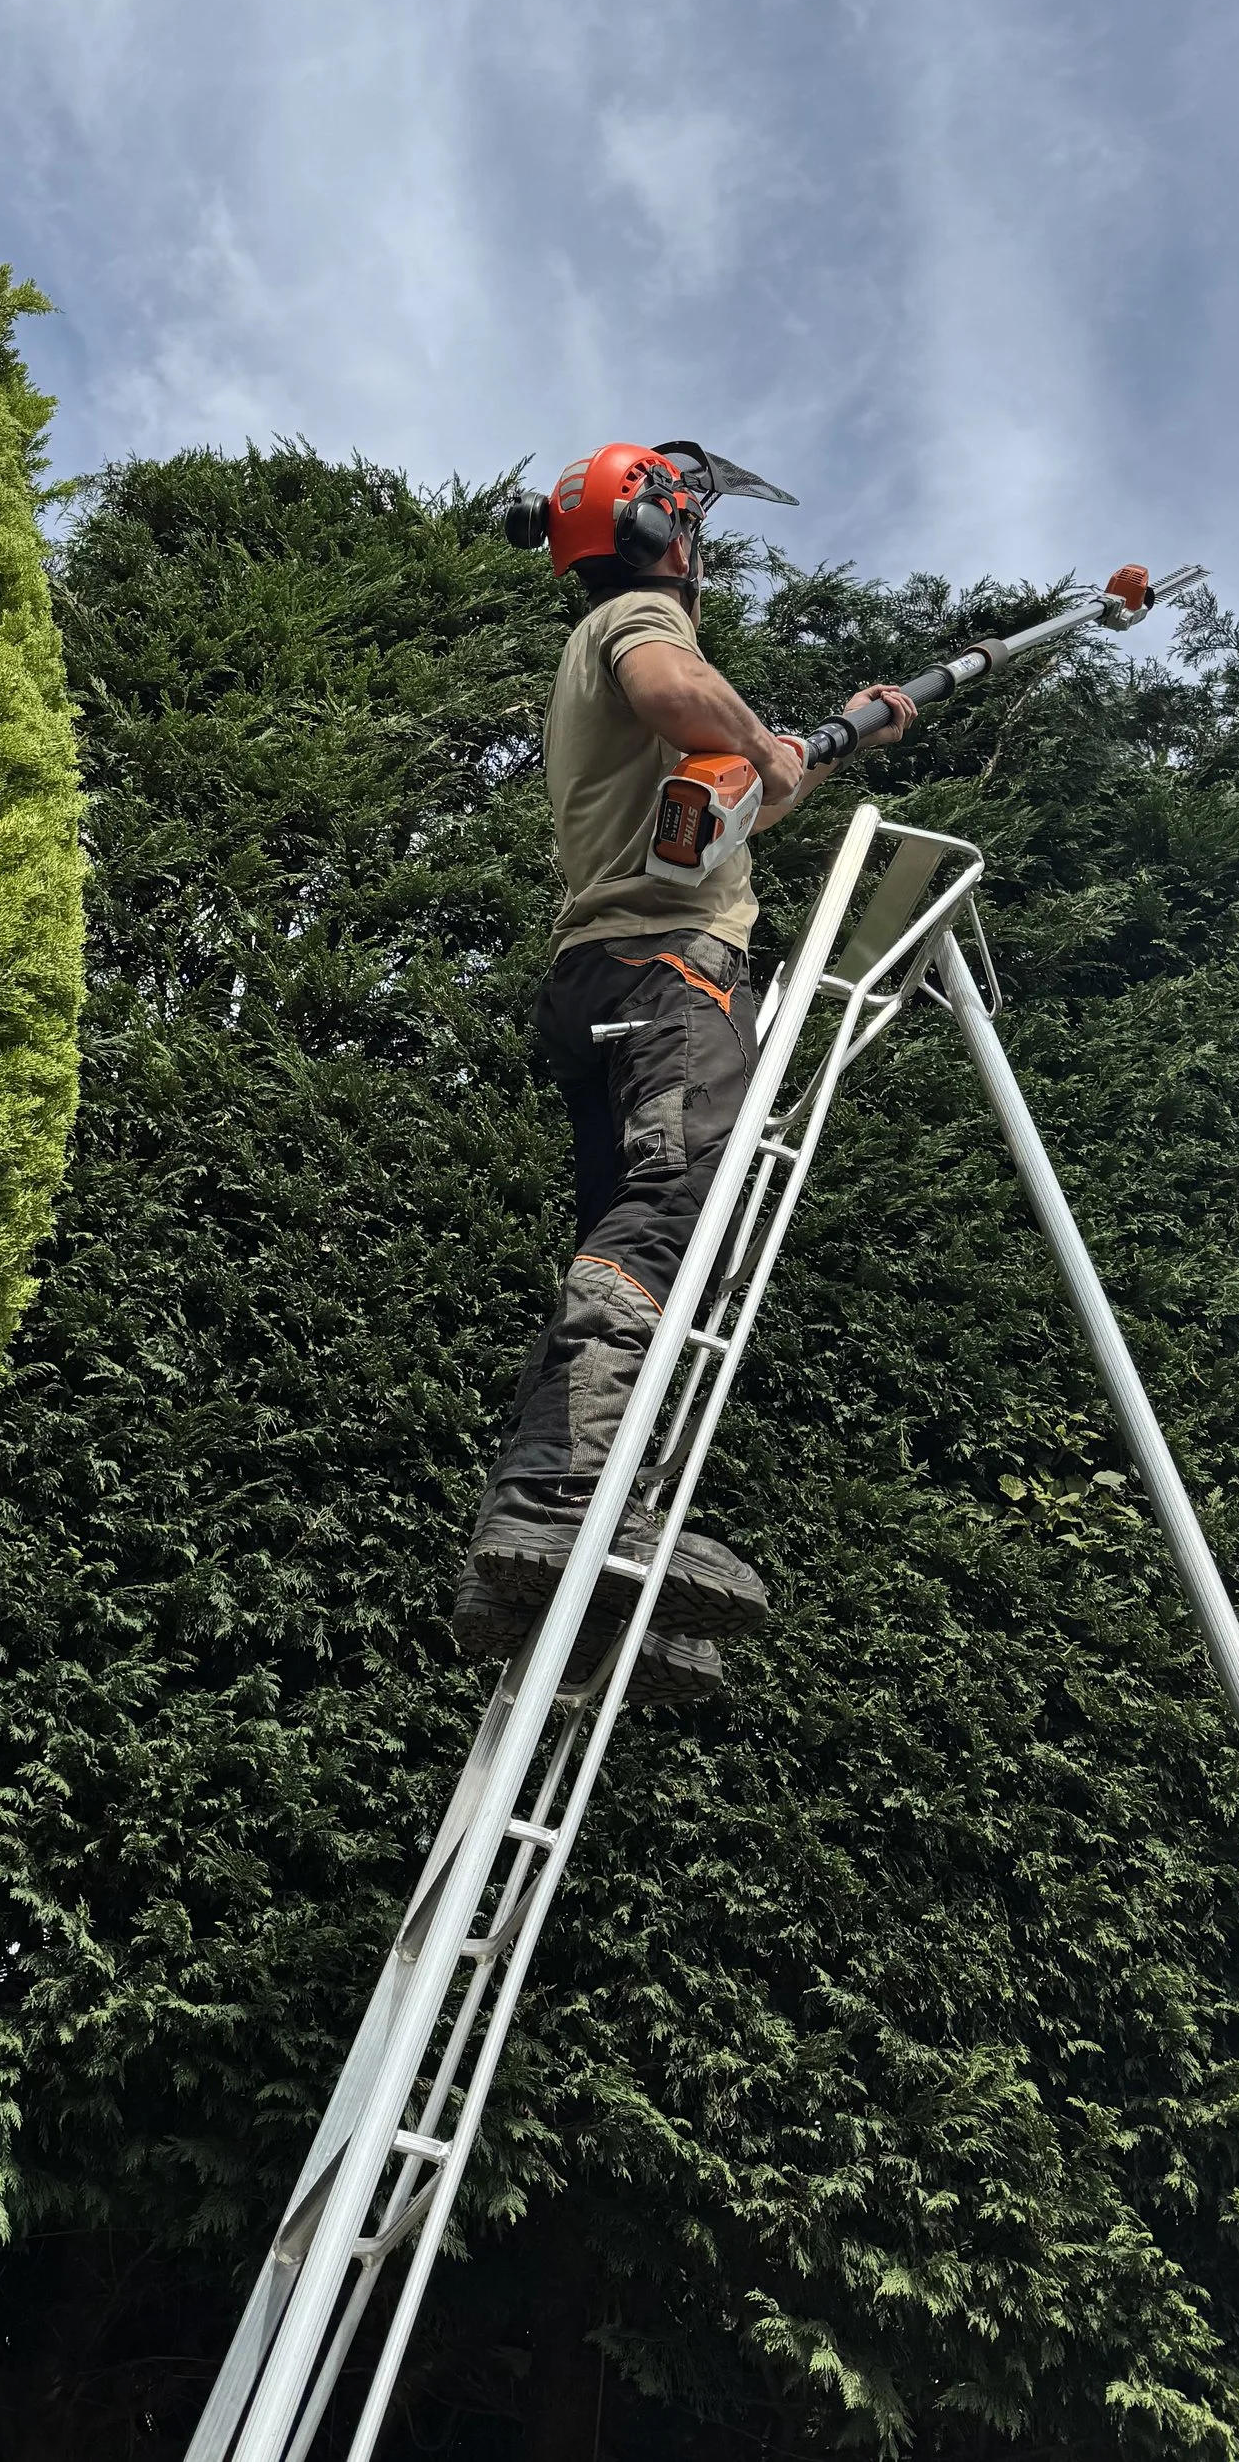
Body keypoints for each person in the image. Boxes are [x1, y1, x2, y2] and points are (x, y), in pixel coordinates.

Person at [451, 439, 914, 1706]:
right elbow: (675, 693)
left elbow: (733, 800)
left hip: (604, 979)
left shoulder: (591, 650)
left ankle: (553, 1568)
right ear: (664, 530)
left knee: (646, 1230)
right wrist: (761, 738)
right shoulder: (639, 619)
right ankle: (560, 1500)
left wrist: (826, 743)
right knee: (677, 1209)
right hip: (667, 978)